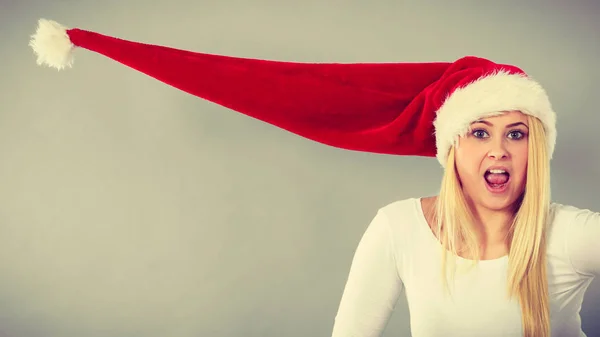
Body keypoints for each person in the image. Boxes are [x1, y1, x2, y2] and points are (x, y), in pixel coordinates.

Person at [29, 19, 599, 337]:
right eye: (479, 132)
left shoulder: (569, 236)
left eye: (516, 134)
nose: (499, 150)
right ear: (450, 148)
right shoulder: (399, 228)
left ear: (535, 147)